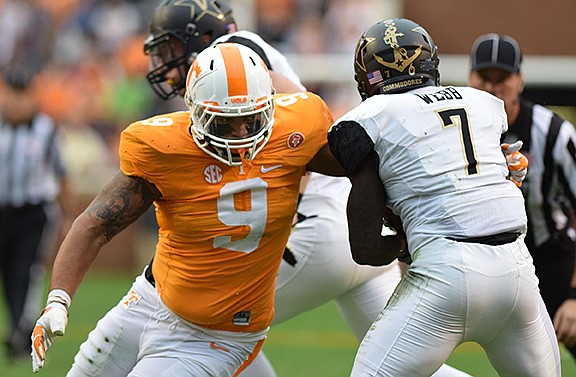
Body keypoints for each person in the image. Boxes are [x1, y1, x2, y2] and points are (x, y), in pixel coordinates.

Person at [48, 1, 472, 376]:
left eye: (172, 50)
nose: (239, 134)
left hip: (311, 230)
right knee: (404, 365)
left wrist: (272, 185)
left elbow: (310, 147)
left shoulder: (257, 86)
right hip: (332, 228)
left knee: (209, 313)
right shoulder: (188, 127)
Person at [30, 42, 351, 376]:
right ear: (194, 111)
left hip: (221, 333)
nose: (240, 135)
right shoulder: (165, 149)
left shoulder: (295, 128)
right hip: (150, 300)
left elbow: (359, 167)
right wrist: (58, 299)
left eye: (251, 121)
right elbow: (96, 224)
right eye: (225, 123)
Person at [327, 18, 561, 376]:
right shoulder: (484, 104)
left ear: (368, 76)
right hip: (517, 273)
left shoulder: (370, 117)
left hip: (446, 273)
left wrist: (403, 243)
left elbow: (365, 249)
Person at [468, 33, 576, 357]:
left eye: (502, 78)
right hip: (483, 263)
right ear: (470, 78)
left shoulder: (554, 133)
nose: (492, 87)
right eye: (484, 77)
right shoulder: (456, 132)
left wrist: (574, 295)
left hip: (549, 257)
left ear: (521, 80)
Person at [0, 67, 72, 361]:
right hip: (3, 211)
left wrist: (67, 216)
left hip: (34, 212)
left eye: (22, 95)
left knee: (26, 270)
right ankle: (18, 327)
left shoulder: (46, 129)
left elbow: (62, 174)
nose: (17, 102)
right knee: (7, 271)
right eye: (12, 94)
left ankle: (22, 329)